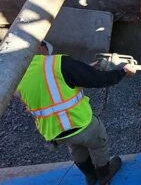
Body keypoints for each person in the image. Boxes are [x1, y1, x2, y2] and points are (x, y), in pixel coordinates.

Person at [16, 41, 135, 185]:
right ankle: (104, 176)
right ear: (39, 47)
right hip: (80, 123)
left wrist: (84, 70)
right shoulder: (58, 63)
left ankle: (91, 177)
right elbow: (98, 80)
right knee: (99, 145)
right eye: (48, 51)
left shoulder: (15, 73)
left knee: (76, 149)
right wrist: (122, 72)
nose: (49, 55)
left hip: (54, 131)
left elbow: (47, 86)